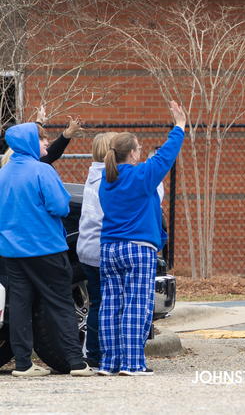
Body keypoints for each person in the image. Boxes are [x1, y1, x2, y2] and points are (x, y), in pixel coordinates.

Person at [0, 121, 95, 377]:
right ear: (30, 142)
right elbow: (61, 207)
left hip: (11, 251)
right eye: (42, 139)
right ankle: (77, 363)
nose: (45, 143)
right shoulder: (42, 171)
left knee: (19, 304)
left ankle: (23, 364)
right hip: (44, 248)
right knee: (61, 302)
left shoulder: (3, 173)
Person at [98, 100, 185, 376]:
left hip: (109, 250)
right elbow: (165, 158)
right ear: (133, 154)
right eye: (138, 148)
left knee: (110, 306)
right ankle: (133, 363)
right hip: (137, 250)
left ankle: (109, 364)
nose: (141, 152)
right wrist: (179, 126)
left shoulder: (106, 180)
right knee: (137, 306)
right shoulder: (141, 176)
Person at [76, 131, 116, 369]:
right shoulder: (108, 180)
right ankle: (101, 354)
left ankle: (93, 354)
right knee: (105, 304)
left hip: (86, 250)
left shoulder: (93, 176)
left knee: (96, 304)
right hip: (102, 251)